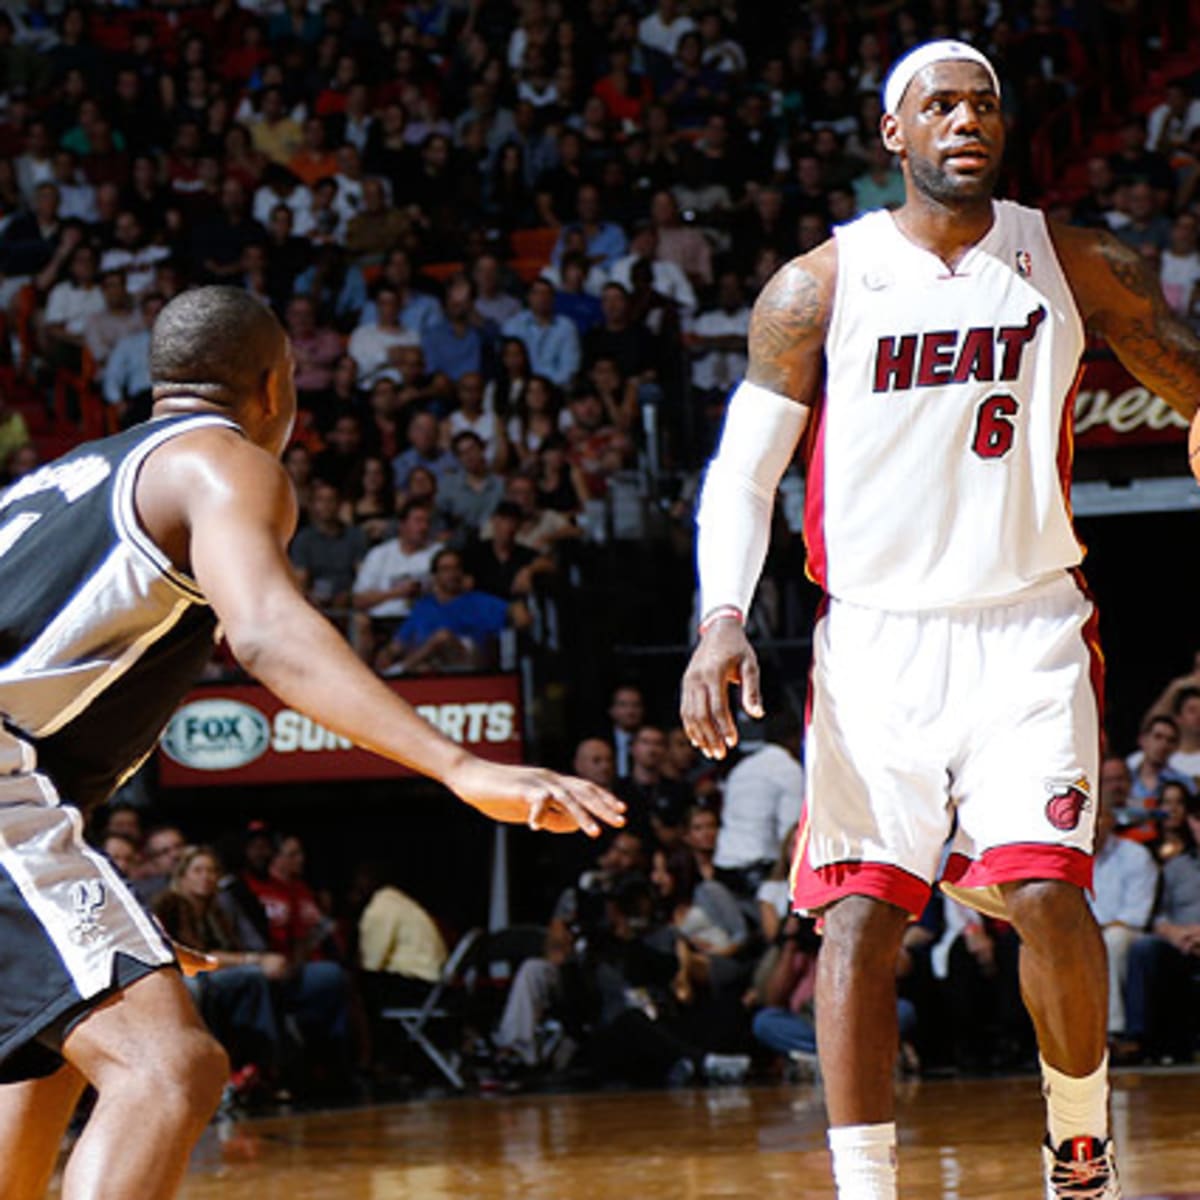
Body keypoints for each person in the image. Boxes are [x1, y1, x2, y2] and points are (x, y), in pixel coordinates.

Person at [680, 40, 1200, 1200]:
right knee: (859, 919)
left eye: (983, 105)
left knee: (1049, 893)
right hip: (876, 640)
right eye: (940, 106)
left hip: (1027, 626)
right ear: (895, 133)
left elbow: (1188, 378)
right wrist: (722, 617)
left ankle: (1080, 1148)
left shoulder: (1074, 260)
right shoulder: (819, 285)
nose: (966, 120)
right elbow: (742, 475)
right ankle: (865, 1185)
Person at [0, 286, 622, 1200]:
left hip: (32, 791)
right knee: (169, 1069)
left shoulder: (64, 477)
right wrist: (458, 764)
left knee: (54, 1042)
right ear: (273, 386)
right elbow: (266, 634)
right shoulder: (221, 459)